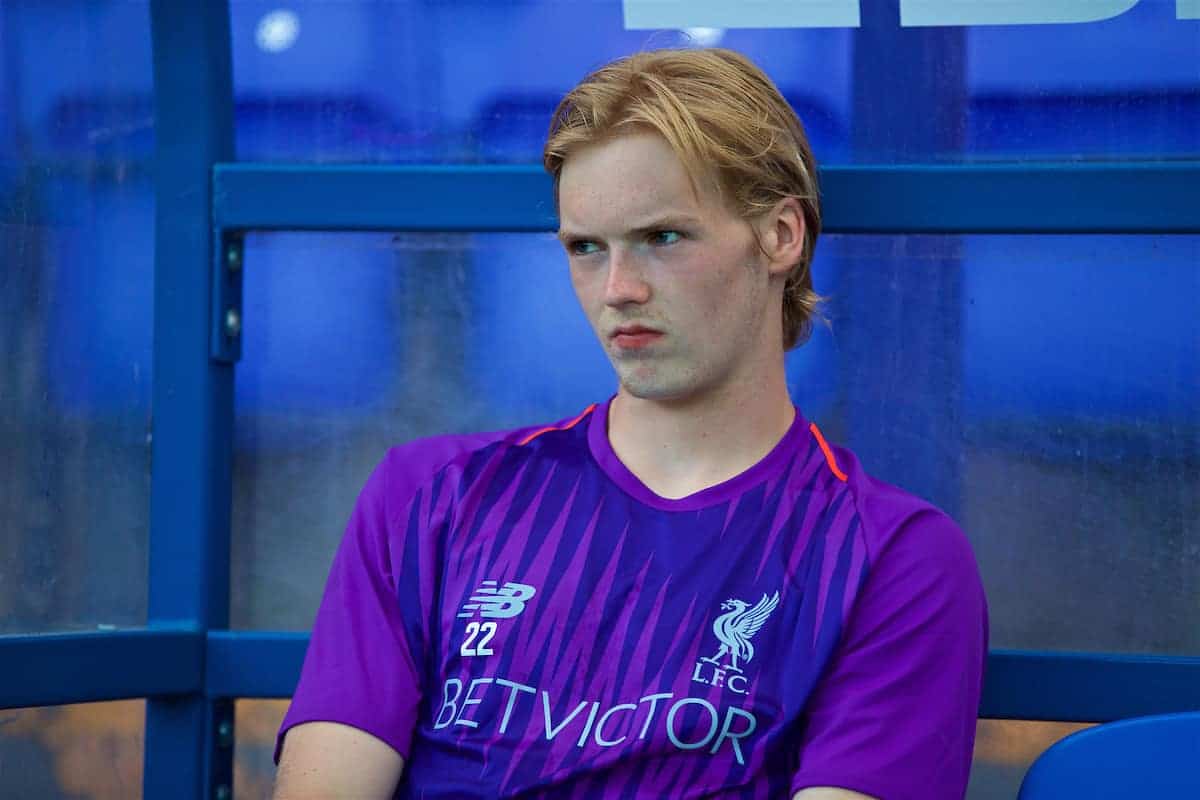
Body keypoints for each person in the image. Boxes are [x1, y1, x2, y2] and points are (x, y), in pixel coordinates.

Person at [272, 47, 987, 800]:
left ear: (781, 236)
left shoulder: (893, 561)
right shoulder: (429, 498)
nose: (618, 289)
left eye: (663, 238)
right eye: (586, 249)